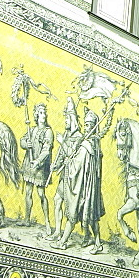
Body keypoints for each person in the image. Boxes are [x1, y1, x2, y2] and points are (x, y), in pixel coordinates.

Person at [53, 108, 106, 253]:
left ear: (94, 126)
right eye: (86, 124)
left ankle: (62, 242)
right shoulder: (93, 143)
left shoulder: (87, 145)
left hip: (82, 187)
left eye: (89, 125)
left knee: (74, 212)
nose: (86, 127)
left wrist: (64, 147)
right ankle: (97, 243)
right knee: (91, 216)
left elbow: (76, 164)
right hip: (88, 187)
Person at [50, 98, 82, 241]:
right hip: (64, 175)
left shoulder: (79, 138)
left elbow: (71, 154)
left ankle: (64, 236)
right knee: (57, 200)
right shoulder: (68, 136)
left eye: (68, 120)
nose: (65, 122)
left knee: (70, 208)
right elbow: (62, 155)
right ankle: (57, 230)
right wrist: (55, 165)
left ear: (73, 120)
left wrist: (63, 142)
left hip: (73, 179)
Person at [20, 103, 54, 234]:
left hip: (40, 166)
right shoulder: (32, 130)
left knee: (41, 194)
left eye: (44, 112)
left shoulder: (48, 132)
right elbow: (23, 140)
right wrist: (25, 143)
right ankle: (27, 219)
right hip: (29, 163)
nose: (43, 115)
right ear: (36, 115)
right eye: (40, 113)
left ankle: (47, 222)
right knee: (28, 192)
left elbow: (46, 150)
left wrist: (38, 161)